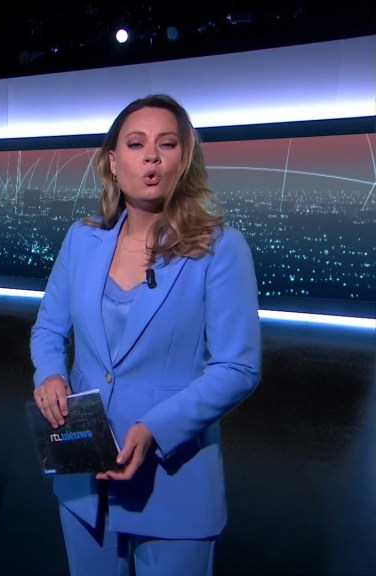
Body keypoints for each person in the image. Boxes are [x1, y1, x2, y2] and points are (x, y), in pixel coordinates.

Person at [29, 94, 261, 576]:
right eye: (136, 144)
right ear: (114, 163)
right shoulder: (81, 240)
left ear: (184, 158)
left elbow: (238, 367)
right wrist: (50, 374)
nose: (151, 157)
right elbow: (49, 329)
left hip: (174, 482)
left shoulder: (220, 250)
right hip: (83, 477)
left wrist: (156, 428)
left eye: (166, 144)